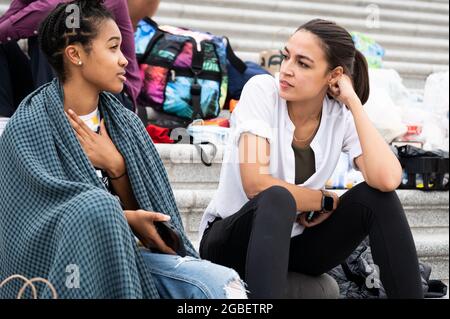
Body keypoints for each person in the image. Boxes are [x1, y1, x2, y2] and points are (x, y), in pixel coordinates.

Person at [0, 0, 246, 299]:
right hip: (64, 267)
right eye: (113, 47)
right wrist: (119, 217)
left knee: (223, 287)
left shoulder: (126, 125)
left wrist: (117, 167)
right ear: (75, 54)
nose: (125, 60)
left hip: (132, 256)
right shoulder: (29, 125)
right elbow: (28, 223)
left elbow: (162, 231)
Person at [198, 19, 424, 299]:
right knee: (277, 197)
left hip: (293, 245)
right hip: (231, 243)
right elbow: (255, 184)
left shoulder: (339, 116)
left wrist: (352, 101)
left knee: (377, 199)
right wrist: (324, 200)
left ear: (334, 75)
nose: (286, 69)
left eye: (303, 63)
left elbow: (388, 179)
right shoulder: (262, 92)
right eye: (286, 56)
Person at [0, 0, 145, 117]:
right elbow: (4, 25)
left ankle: (52, 118)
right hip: (56, 87)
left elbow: (50, 8)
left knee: (55, 31)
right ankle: (4, 123)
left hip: (114, 93)